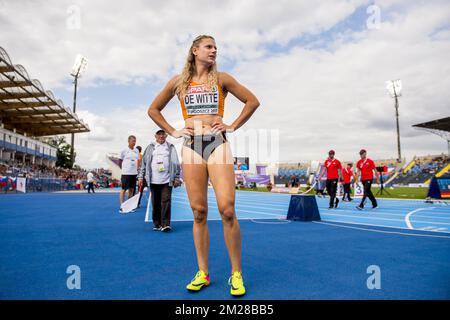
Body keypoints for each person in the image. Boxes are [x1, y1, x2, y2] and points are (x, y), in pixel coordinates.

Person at [146, 35, 259, 296]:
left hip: (217, 143)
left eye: (216, 47)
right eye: (209, 46)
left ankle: (236, 273)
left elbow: (252, 101)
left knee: (227, 209)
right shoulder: (178, 82)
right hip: (191, 146)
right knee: (199, 212)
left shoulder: (223, 79)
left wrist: (232, 125)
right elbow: (153, 109)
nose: (214, 50)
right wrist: (173, 131)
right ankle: (203, 272)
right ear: (195, 50)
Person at [137, 129, 181, 232]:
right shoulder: (150, 147)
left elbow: (175, 163)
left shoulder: (170, 147)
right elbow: (143, 163)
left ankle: (165, 224)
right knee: (155, 203)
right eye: (159, 134)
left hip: (167, 180)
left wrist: (176, 177)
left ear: (166, 136)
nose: (161, 136)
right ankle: (157, 224)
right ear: (155, 136)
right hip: (153, 180)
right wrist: (140, 177)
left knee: (166, 201)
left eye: (163, 134)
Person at [118, 135, 139, 213]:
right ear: (128, 141)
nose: (134, 142)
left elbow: (138, 160)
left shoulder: (136, 150)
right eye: (133, 141)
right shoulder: (124, 150)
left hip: (134, 173)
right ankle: (122, 206)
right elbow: (119, 160)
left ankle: (129, 206)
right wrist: (123, 169)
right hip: (126, 173)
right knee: (123, 189)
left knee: (131, 189)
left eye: (135, 141)